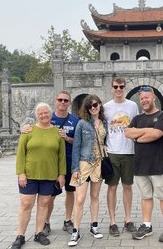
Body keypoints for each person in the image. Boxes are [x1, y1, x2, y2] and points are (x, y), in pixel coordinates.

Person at [21, 91, 79, 235]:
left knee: (70, 192)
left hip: (70, 161)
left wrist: (67, 138)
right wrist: (25, 128)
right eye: (60, 100)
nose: (63, 103)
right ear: (56, 101)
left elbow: (78, 142)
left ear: (70, 103)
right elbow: (36, 129)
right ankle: (46, 222)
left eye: (66, 100)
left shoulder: (75, 120)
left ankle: (67, 220)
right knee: (49, 196)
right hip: (51, 165)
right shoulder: (47, 117)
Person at [11, 103, 66, 249]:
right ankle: (20, 235)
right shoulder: (28, 131)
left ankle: (39, 233)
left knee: (43, 204)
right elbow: (20, 154)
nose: (44, 116)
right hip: (29, 175)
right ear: (37, 115)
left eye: (46, 113)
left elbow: (61, 156)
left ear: (50, 114)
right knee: (26, 204)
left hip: (49, 175)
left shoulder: (57, 132)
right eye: (41, 113)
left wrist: (61, 175)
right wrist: (21, 173)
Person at [125, 86, 163, 243]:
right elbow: (127, 133)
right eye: (142, 98)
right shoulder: (137, 118)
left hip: (159, 164)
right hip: (140, 165)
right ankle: (147, 225)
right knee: (146, 196)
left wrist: (139, 136)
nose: (144, 100)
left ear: (153, 98)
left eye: (147, 97)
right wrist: (147, 131)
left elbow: (156, 134)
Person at [68, 95, 108, 247]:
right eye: (90, 106)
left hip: (98, 164)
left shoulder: (104, 122)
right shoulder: (82, 124)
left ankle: (94, 225)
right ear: (86, 108)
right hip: (84, 163)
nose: (93, 108)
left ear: (99, 105)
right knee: (79, 199)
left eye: (95, 104)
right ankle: (76, 230)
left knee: (95, 196)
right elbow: (76, 147)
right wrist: (75, 169)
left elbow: (105, 141)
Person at [104, 77, 139, 236]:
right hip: (112, 152)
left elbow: (137, 126)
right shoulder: (105, 108)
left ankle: (128, 219)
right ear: (111, 88)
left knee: (127, 186)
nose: (118, 89)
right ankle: (112, 221)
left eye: (121, 87)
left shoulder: (132, 106)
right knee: (112, 186)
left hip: (129, 151)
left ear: (125, 88)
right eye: (115, 87)